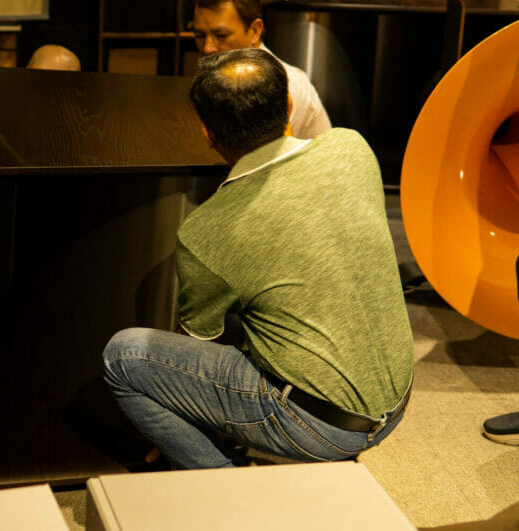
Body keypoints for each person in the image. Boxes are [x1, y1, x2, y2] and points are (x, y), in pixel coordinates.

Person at [102, 48, 413, 469]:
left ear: (207, 133)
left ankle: (228, 484)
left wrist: (180, 412)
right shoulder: (351, 148)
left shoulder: (208, 229)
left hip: (321, 426)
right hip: (396, 400)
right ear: (288, 103)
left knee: (124, 357)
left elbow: (196, 340)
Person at [193, 0, 331, 139]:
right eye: (200, 35)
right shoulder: (215, 79)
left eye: (221, 36)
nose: (207, 48)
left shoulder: (284, 85)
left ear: (255, 31)